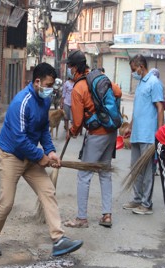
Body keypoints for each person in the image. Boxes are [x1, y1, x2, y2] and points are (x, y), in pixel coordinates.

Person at [0, 62, 83, 257]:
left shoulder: (45, 101)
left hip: (30, 156)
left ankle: (58, 239)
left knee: (48, 191)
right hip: (11, 155)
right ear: (37, 82)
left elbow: (43, 130)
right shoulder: (21, 102)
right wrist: (41, 157)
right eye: (47, 85)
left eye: (52, 85)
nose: (49, 89)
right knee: (6, 202)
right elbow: (19, 140)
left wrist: (51, 151)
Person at [63, 51, 121, 228]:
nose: (69, 70)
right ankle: (107, 215)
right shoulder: (100, 77)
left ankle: (81, 218)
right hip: (111, 131)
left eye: (70, 67)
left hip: (96, 134)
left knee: (84, 175)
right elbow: (117, 92)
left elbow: (78, 122)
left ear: (74, 68)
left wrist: (71, 131)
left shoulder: (78, 89)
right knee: (104, 173)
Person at [122, 54, 165, 215]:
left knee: (147, 171)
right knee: (136, 168)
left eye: (134, 69)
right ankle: (137, 199)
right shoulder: (140, 83)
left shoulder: (154, 83)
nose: (133, 72)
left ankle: (146, 204)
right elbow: (139, 109)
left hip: (148, 134)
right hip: (137, 133)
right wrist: (130, 127)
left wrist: (160, 132)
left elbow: (160, 108)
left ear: (141, 66)